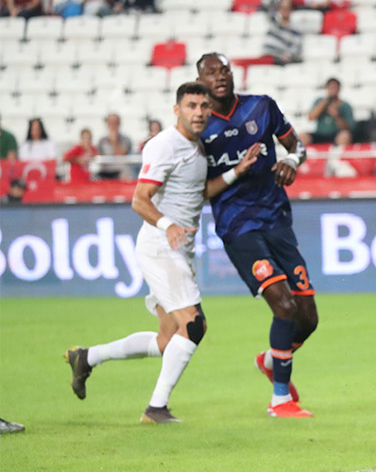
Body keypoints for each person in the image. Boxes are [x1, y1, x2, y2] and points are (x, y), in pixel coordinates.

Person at [64, 82, 258, 424]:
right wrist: (167, 224)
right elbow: (140, 199)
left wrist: (236, 171)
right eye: (191, 106)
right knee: (194, 325)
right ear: (177, 110)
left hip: (177, 248)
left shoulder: (197, 148)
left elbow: (199, 191)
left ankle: (87, 357)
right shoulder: (164, 145)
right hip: (160, 246)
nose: (198, 112)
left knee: (169, 339)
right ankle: (156, 409)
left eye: (203, 106)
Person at [196, 52, 318, 419]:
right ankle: (281, 399)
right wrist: (237, 170)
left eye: (225, 70)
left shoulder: (262, 107)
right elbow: (201, 190)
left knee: (307, 317)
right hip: (237, 227)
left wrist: (291, 162)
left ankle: (270, 360)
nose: (220, 76)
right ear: (201, 80)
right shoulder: (198, 129)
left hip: (277, 219)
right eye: (211, 73)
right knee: (283, 305)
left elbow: (298, 146)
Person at [303, 77, 353, 146]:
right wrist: (324, 104)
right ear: (326, 88)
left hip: (336, 135)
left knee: (344, 136)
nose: (333, 90)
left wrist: (337, 116)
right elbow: (310, 117)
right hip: (319, 134)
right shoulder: (319, 102)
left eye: (335, 87)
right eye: (331, 87)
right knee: (302, 136)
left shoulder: (345, 105)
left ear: (339, 89)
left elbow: (347, 128)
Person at [264, 0, 304, 65]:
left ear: (291, 10)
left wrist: (288, 55)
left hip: (281, 60)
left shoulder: (295, 30)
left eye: (287, 8)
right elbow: (267, 6)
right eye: (282, 8)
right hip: (267, 56)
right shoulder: (273, 24)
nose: (285, 10)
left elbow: (296, 46)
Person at [97, 113, 133, 179]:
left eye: (115, 123)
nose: (112, 126)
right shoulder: (102, 140)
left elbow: (121, 154)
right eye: (110, 123)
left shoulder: (126, 139)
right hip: (106, 173)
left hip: (120, 173)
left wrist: (114, 141)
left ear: (119, 124)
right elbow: (100, 158)